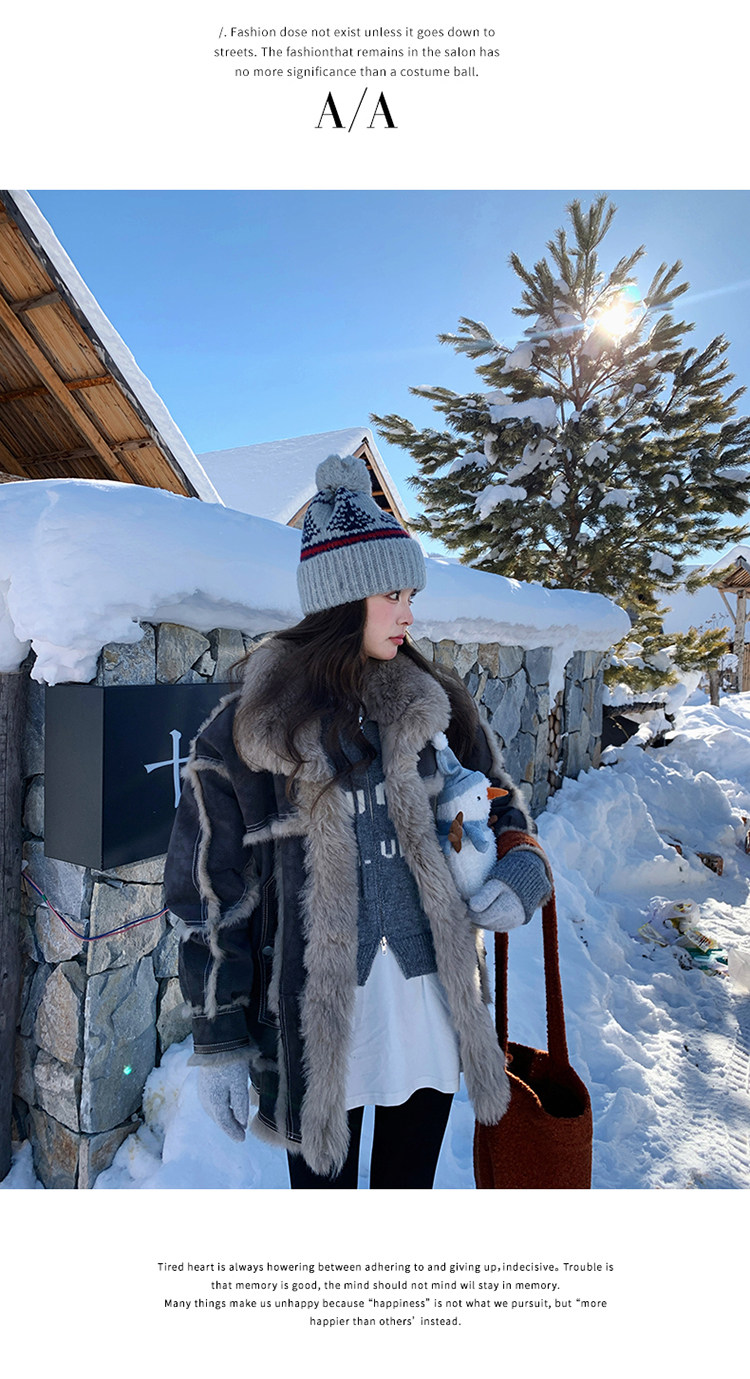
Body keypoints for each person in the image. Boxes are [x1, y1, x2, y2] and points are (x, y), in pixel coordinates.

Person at [164, 454, 552, 1188]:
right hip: (315, 1030)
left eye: (411, 595)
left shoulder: (437, 703)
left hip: (429, 1015)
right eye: (392, 594)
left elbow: (503, 803)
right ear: (342, 601)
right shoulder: (245, 733)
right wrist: (218, 1037)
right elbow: (208, 895)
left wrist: (520, 866)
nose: (409, 614)